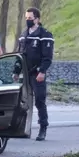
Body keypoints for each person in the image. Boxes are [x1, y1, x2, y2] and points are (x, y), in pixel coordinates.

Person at [14, 7, 54, 141]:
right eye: (26, 18)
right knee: (23, 103)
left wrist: (42, 71)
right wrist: (16, 71)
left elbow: (47, 57)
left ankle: (43, 127)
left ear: (37, 19)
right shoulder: (23, 35)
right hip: (25, 74)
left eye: (30, 18)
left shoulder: (44, 35)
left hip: (37, 74)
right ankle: (23, 129)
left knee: (40, 101)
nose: (28, 21)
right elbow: (20, 55)